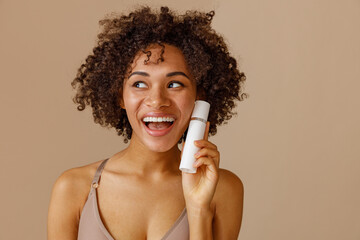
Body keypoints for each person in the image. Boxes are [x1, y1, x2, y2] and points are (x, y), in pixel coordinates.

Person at [47, 6, 247, 240]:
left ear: (199, 98)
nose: (157, 100)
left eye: (174, 84)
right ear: (119, 96)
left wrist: (198, 208)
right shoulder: (72, 188)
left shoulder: (224, 189)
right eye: (139, 84)